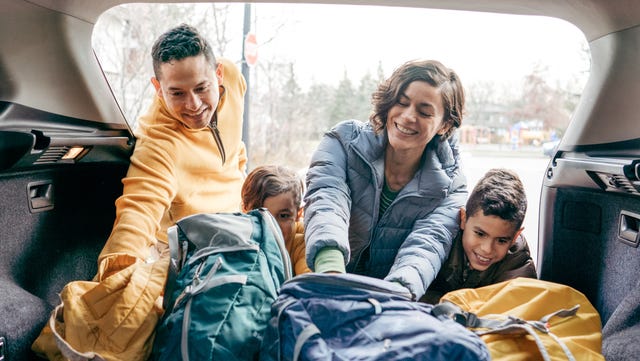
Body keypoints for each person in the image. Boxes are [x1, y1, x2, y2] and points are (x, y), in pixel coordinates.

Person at [303, 59, 468, 300]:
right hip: (328, 279)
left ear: (445, 125)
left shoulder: (452, 185)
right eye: (401, 103)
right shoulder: (343, 141)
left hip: (392, 298)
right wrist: (331, 274)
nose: (408, 116)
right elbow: (327, 199)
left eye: (424, 112)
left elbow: (428, 243)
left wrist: (396, 297)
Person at [98, 23, 247, 276]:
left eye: (201, 88)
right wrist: (116, 272)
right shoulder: (159, 140)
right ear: (158, 88)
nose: (194, 105)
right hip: (193, 251)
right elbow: (138, 210)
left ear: (218, 74)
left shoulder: (233, 78)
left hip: (240, 224)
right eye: (177, 93)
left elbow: (235, 149)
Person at [421, 168, 537, 304]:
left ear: (516, 236)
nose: (487, 249)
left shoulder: (518, 263)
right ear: (463, 218)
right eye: (480, 234)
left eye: (501, 240)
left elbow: (513, 309)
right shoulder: (440, 241)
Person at [241, 165, 312, 275]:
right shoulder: (239, 239)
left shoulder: (302, 242)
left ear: (299, 214)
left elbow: (308, 281)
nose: (272, 226)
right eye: (260, 216)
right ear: (244, 210)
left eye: (283, 216)